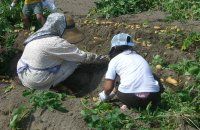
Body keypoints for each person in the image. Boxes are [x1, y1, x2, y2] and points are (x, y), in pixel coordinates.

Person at [16, 13, 108, 90]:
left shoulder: (37, 36)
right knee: (73, 61)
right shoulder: (56, 42)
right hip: (36, 81)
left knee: (61, 58)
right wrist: (103, 58)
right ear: (61, 28)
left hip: (22, 74)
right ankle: (51, 85)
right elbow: (83, 57)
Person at [98, 33, 164, 109]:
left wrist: (104, 96)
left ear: (114, 48)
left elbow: (108, 88)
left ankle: (128, 105)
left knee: (119, 77)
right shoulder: (140, 57)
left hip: (131, 98)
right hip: (153, 97)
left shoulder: (115, 60)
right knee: (151, 75)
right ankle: (150, 104)